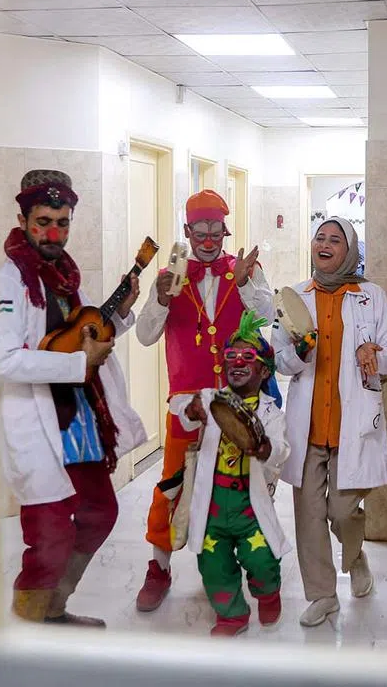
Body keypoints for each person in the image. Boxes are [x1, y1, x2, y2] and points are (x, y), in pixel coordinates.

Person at [0, 168, 148, 627]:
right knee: (51, 531)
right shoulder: (8, 280)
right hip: (37, 421)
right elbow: (3, 360)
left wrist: (117, 316)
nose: (53, 232)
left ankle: (53, 608)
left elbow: (78, 335)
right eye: (43, 221)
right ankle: (28, 628)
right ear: (23, 220)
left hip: (77, 417)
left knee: (100, 510)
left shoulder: (62, 275)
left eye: (62, 222)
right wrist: (78, 364)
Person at [133, 189, 275, 611]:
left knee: (239, 490)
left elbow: (268, 317)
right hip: (187, 406)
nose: (209, 239)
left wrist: (247, 284)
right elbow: (143, 336)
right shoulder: (169, 276)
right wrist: (160, 299)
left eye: (217, 231)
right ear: (187, 231)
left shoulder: (247, 269)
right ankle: (158, 566)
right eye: (201, 231)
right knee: (171, 486)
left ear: (225, 231)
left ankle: (239, 570)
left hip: (239, 403)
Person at [271, 217, 387, 627]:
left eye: (335, 240)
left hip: (352, 424)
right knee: (309, 516)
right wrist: (299, 353)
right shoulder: (294, 298)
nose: (324, 245)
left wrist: (374, 355)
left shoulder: (371, 296)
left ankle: (355, 552)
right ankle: (323, 595)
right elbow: (280, 359)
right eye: (319, 238)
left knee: (342, 512)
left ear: (349, 250)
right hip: (308, 426)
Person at [170, 311, 291, 637]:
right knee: (213, 565)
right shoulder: (212, 399)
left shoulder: (270, 412)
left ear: (264, 370)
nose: (237, 362)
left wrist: (265, 449)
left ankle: (268, 591)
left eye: (247, 357)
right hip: (212, 504)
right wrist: (191, 409)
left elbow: (280, 448)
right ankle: (232, 615)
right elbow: (179, 409)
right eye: (231, 356)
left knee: (262, 559)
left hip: (249, 507)